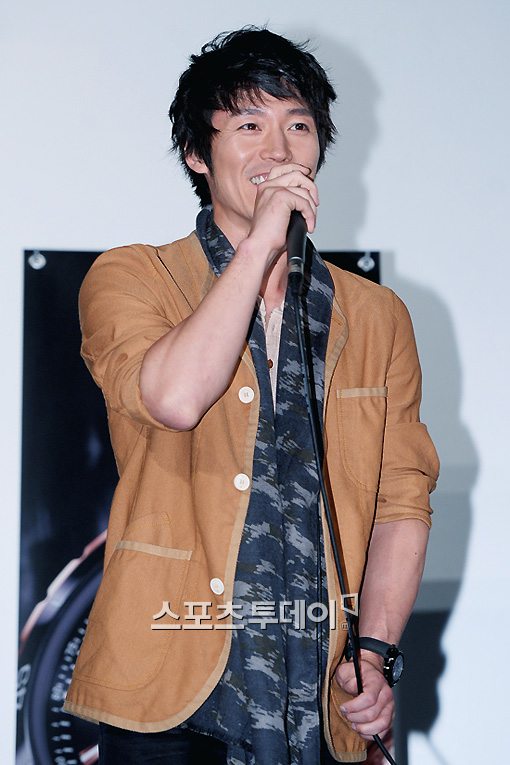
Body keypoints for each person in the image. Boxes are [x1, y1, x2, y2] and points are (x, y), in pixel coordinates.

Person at [63, 26, 440, 765]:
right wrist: (262, 243)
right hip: (166, 687)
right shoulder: (133, 277)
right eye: (248, 125)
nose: (279, 149)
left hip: (315, 687)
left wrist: (375, 652)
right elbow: (174, 398)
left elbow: (402, 497)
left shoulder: (376, 316)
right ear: (197, 154)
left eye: (298, 125)